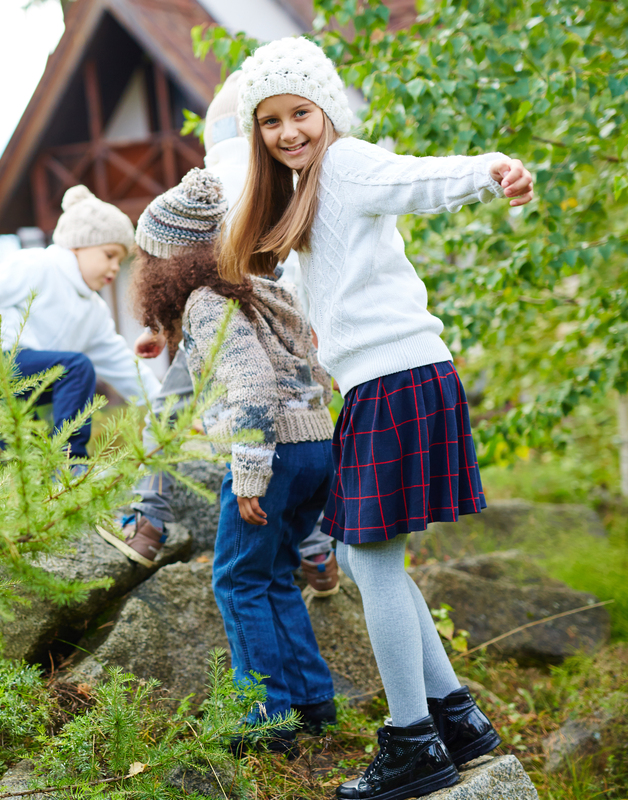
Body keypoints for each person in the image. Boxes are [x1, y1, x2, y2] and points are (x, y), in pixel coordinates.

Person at [223, 36, 535, 800]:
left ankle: (412, 740)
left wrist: (491, 171)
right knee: (371, 563)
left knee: (371, 563)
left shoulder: (347, 164)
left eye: (300, 113)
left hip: (396, 379)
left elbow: (416, 179)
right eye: (270, 121)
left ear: (327, 110)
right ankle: (456, 719)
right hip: (389, 381)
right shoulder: (306, 191)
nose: (288, 132)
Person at [131, 168, 338, 756]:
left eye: (147, 256)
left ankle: (264, 719)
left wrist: (249, 472)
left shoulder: (205, 303)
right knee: (274, 574)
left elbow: (251, 385)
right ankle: (312, 702)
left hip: (272, 455)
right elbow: (308, 366)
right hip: (315, 446)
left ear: (168, 260)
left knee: (237, 581)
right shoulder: (258, 288)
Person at [116, 72, 343, 602]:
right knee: (303, 417)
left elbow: (176, 265)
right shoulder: (286, 177)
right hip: (283, 321)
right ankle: (316, 548)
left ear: (214, 134)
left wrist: (159, 327)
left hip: (220, 319)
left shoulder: (209, 183)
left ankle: (148, 520)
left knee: (170, 410)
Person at [0, 185, 160, 460]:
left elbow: (123, 366)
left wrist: (167, 408)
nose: (115, 266)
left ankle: (57, 475)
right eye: (109, 255)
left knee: (34, 461)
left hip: (21, 386)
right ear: (77, 245)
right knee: (76, 368)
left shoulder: (95, 313)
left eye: (120, 260)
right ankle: (72, 461)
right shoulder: (38, 265)